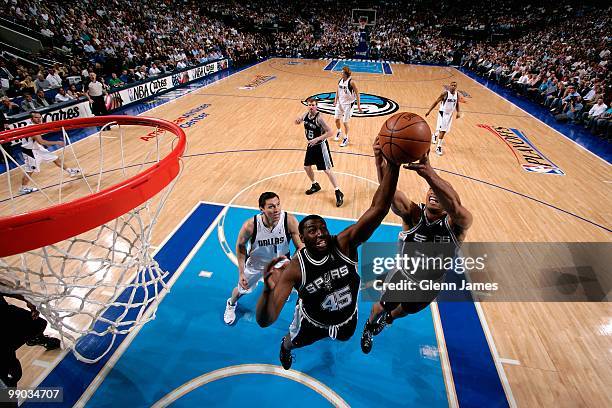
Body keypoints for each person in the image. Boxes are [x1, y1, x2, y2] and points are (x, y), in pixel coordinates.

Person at [256, 138, 401, 370]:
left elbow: (379, 209)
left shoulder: (344, 244)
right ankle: (284, 348)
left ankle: (332, 334)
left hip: (346, 318)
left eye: (323, 228)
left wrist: (392, 165)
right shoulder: (296, 268)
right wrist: (266, 291)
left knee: (344, 337)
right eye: (312, 230)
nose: (320, 233)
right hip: (311, 322)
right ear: (302, 240)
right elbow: (266, 320)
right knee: (293, 342)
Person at [360, 143, 472, 354]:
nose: (433, 194)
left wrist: (430, 174)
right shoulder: (413, 214)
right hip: (403, 276)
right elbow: (389, 193)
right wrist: (381, 163)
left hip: (430, 285)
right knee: (380, 306)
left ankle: (390, 319)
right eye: (431, 190)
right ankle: (369, 326)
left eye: (439, 193)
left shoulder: (456, 226)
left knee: (405, 310)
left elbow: (457, 209)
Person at [224, 192, 303, 325]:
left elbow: (301, 247)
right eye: (271, 206)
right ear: (262, 209)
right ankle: (231, 304)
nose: (276, 209)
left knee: (298, 287)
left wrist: (291, 264)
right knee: (241, 290)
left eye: (278, 205)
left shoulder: (289, 221)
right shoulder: (251, 225)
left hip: (281, 263)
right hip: (256, 265)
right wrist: (241, 272)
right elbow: (240, 247)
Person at [0, 286, 61, 391]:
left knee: (38, 324)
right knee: (12, 375)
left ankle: (35, 339)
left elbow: (4, 287)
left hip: (5, 316)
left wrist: (26, 297)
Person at [296, 97, 344, 207]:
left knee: (327, 170)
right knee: (307, 167)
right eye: (309, 105)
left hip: (320, 146)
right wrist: (297, 120)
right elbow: (300, 119)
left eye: (313, 105)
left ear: (316, 106)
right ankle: (315, 185)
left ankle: (338, 191)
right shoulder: (306, 115)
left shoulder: (319, 118)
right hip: (311, 145)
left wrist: (317, 139)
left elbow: (330, 132)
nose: (311, 107)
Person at [17, 111, 81, 195]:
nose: (39, 119)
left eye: (40, 117)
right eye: (36, 117)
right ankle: (23, 188)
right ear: (31, 119)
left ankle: (70, 171)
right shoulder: (32, 128)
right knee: (30, 171)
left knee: (55, 158)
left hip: (37, 148)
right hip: (30, 151)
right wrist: (57, 142)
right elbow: (41, 142)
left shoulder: (35, 125)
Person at [425, 81, 461, 156]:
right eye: (452, 85)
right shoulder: (445, 94)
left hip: (450, 114)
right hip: (443, 113)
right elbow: (436, 102)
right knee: (443, 130)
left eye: (455, 86)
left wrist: (458, 112)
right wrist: (429, 111)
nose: (453, 87)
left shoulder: (456, 94)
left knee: (445, 130)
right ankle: (438, 147)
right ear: (449, 86)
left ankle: (435, 135)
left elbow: (457, 104)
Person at [333, 66, 361, 147]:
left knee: (345, 122)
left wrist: (359, 106)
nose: (341, 73)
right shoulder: (340, 81)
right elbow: (337, 91)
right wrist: (335, 100)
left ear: (346, 74)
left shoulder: (351, 82)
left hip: (349, 104)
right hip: (340, 103)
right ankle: (339, 131)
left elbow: (357, 94)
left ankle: (346, 138)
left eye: (342, 72)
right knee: (336, 120)